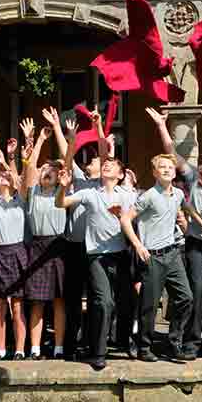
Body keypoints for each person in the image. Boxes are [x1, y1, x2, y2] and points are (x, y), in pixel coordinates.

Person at [55, 119, 137, 371]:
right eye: (103, 164)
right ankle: (98, 353)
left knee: (122, 301)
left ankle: (125, 342)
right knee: (103, 301)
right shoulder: (89, 192)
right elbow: (61, 204)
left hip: (122, 253)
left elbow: (143, 213)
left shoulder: (129, 195)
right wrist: (62, 188)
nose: (104, 165)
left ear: (121, 174)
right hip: (95, 255)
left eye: (110, 164)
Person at [146, 107, 202, 359]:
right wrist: (160, 125)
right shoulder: (191, 179)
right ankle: (190, 342)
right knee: (198, 291)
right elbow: (172, 154)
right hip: (196, 245)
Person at [125, 152, 194, 362]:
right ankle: (144, 347)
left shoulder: (179, 195)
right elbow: (126, 219)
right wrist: (138, 245)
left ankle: (174, 342)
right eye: (162, 167)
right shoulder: (148, 196)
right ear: (155, 172)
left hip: (172, 254)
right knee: (150, 305)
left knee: (186, 298)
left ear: (175, 172)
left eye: (170, 167)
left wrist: (186, 224)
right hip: (152, 256)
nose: (167, 169)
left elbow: (182, 215)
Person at [21, 119, 69, 360]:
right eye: (43, 170)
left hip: (59, 246)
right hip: (37, 246)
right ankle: (36, 348)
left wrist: (63, 135)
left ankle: (59, 348)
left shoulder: (63, 191)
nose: (45, 172)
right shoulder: (32, 192)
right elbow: (29, 168)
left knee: (59, 299)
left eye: (51, 170)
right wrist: (40, 139)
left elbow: (67, 161)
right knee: (37, 301)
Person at [0, 130, 29, 361]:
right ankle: (1, 349)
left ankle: (20, 349)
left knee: (18, 305)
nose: (3, 176)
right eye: (1, 175)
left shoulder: (21, 200)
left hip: (18, 251)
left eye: (7, 175)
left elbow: (21, 181)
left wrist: (11, 159)